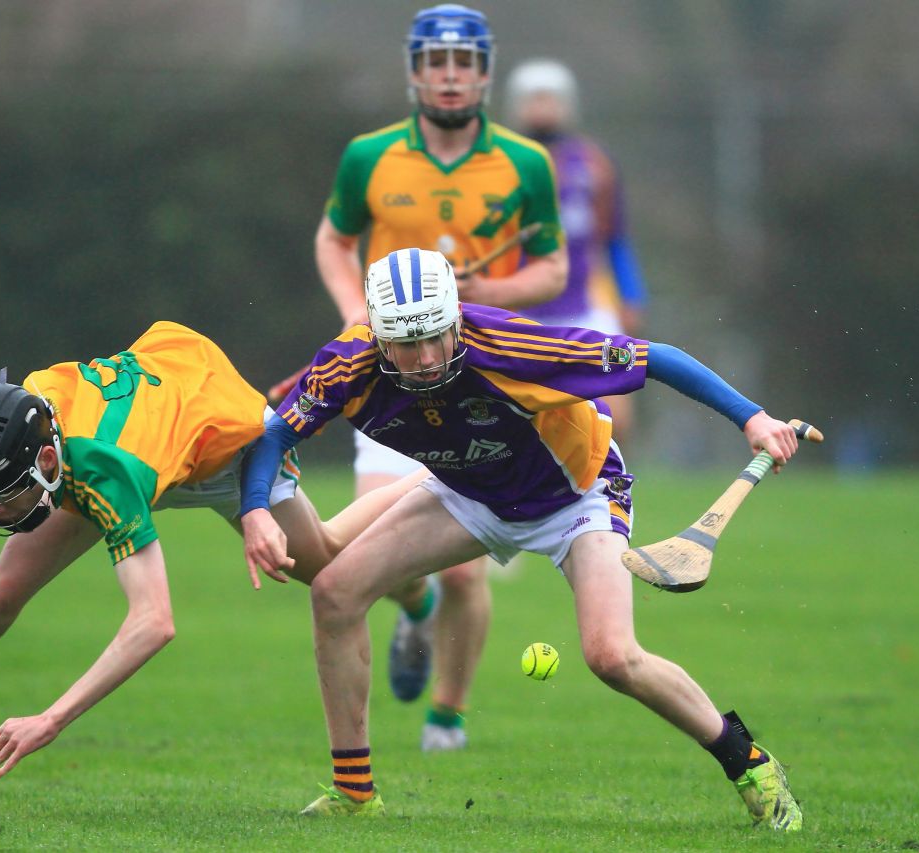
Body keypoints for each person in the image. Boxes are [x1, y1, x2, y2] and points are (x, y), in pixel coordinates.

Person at [240, 250, 804, 830]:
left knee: (612, 658)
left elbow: (658, 358)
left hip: (577, 494)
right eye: (407, 345)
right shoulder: (347, 366)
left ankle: (749, 761)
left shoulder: (512, 345)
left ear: (456, 319)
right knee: (334, 593)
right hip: (472, 495)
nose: (427, 358)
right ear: (378, 337)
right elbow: (276, 432)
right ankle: (354, 793)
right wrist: (255, 509)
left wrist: (751, 418)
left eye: (437, 337)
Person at [0, 320, 418, 812]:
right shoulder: (28, 409)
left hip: (225, 446)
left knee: (330, 562)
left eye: (6, 495)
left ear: (47, 459)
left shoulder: (103, 472)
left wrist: (51, 719)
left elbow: (153, 623)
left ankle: (433, 485)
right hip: (143, 431)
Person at [305, 3, 567, 753]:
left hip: (476, 375)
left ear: (485, 74)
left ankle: (447, 717)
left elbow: (552, 268)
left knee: (464, 571)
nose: (449, 77)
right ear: (414, 73)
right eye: (434, 63)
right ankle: (410, 607)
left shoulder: (526, 163)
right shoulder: (369, 157)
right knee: (357, 558)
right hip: (390, 377)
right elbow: (334, 238)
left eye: (463, 63)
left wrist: (485, 295)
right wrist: (358, 309)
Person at [505, 58, 650, 444]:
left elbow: (615, 236)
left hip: (586, 300)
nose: (543, 108)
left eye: (550, 99)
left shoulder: (594, 163)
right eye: (534, 99)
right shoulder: (501, 162)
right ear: (517, 104)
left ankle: (609, 487)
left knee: (617, 408)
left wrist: (632, 295)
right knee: (519, 411)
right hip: (520, 306)